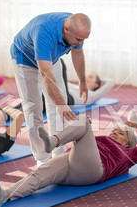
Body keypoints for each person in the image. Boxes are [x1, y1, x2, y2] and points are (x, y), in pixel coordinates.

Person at [0, 114, 137, 205]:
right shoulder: (100, 139)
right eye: (114, 130)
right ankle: (5, 195)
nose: (114, 133)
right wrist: (82, 130)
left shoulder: (130, 154)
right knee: (38, 175)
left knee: (82, 120)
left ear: (129, 143)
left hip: (94, 171)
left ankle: (53, 141)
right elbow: (79, 148)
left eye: (120, 133)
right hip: (71, 165)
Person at [11, 12, 91, 167]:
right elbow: (45, 74)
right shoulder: (43, 32)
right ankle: (42, 158)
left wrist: (82, 81)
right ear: (66, 29)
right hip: (25, 60)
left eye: (84, 39)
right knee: (33, 108)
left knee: (59, 107)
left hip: (50, 59)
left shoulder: (76, 28)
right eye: (78, 39)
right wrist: (60, 102)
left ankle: (59, 153)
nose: (81, 43)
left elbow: (78, 52)